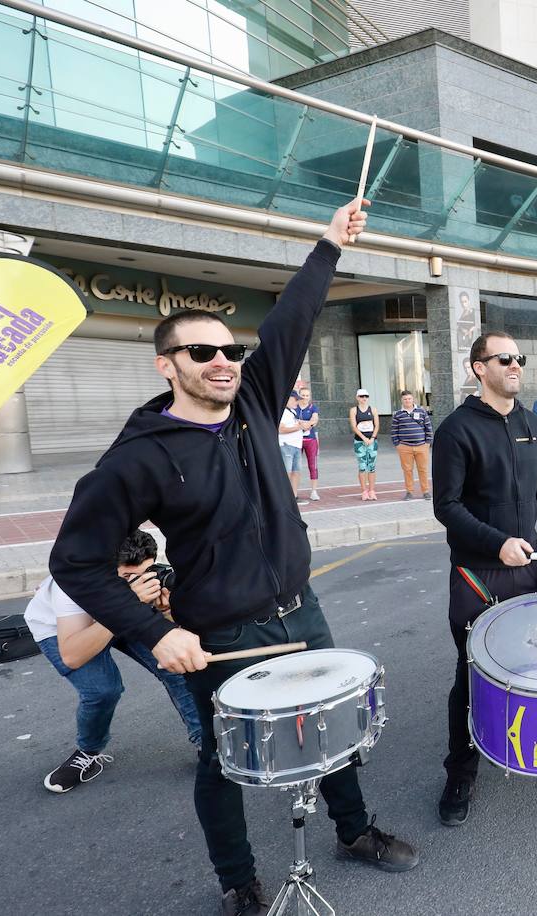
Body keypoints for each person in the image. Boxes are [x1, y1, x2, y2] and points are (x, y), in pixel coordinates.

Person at [48, 200, 418, 916]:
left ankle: (354, 831)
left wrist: (327, 244)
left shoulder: (252, 398)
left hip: (299, 611)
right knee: (225, 766)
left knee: (333, 728)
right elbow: (77, 563)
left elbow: (294, 319)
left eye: (230, 351)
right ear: (167, 364)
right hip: (222, 632)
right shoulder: (137, 458)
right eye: (201, 352)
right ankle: (237, 880)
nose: (223, 362)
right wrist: (158, 632)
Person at [431, 331, 537, 827]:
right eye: (503, 358)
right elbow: (446, 506)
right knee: (473, 674)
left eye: (519, 358)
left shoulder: (533, 422)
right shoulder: (455, 430)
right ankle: (460, 772)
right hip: (479, 571)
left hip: (532, 565)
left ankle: (531, 741)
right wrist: (496, 543)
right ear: (477, 368)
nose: (514, 365)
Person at [28, 530, 202, 794]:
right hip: (66, 631)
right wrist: (128, 602)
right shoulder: (74, 584)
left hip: (123, 611)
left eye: (146, 571)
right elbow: (73, 656)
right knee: (102, 691)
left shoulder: (143, 581)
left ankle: (206, 744)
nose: (142, 580)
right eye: (128, 577)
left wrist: (165, 609)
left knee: (174, 663)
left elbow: (170, 634)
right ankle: (88, 751)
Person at [390, 390, 433, 500]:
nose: (407, 401)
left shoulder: (422, 411)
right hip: (404, 447)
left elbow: (428, 428)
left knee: (423, 469)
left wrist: (427, 443)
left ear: (413, 399)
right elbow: (394, 431)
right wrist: (397, 445)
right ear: (402, 400)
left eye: (409, 398)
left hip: (422, 446)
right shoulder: (398, 415)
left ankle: (426, 491)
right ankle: (409, 492)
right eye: (405, 399)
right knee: (407, 470)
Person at [351, 389, 380, 501]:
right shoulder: (354, 410)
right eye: (361, 396)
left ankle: (372, 490)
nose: (364, 398)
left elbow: (376, 425)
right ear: (357, 397)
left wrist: (372, 438)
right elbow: (354, 426)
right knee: (362, 466)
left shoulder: (373, 409)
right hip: (359, 442)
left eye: (366, 396)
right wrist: (364, 438)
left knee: (371, 466)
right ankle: (364, 491)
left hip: (372, 441)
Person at [278, 392, 305, 502]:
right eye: (295, 399)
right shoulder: (283, 412)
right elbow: (281, 429)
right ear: (288, 399)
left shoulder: (292, 412)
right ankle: (284, 497)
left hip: (296, 445)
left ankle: (294, 496)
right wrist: (298, 427)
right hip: (287, 445)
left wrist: (301, 426)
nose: (297, 402)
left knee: (296, 471)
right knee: (287, 472)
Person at [297, 386, 321, 500]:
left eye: (307, 395)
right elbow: (291, 420)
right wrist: (306, 423)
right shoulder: (294, 407)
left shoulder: (313, 407)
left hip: (310, 440)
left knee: (313, 465)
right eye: (303, 395)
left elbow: (315, 420)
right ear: (299, 395)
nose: (305, 397)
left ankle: (314, 491)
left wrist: (303, 424)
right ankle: (294, 491)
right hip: (296, 440)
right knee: (295, 466)